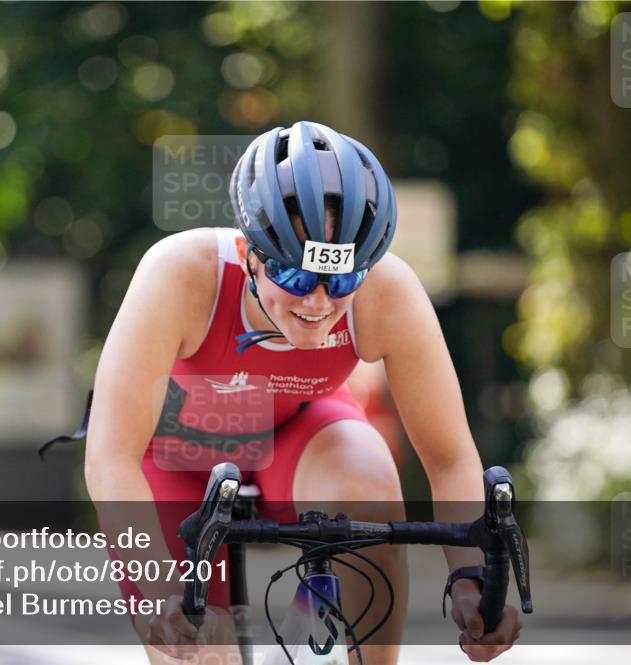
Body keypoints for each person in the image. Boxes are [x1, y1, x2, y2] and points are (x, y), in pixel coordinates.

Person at [83, 121, 523, 664]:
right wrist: (161, 592)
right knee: (198, 649)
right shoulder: (179, 274)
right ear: (248, 253)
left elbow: (450, 456)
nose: (317, 302)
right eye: (295, 278)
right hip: (173, 456)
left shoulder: (388, 293)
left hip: (297, 437)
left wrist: (471, 579)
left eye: (340, 281)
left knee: (369, 485)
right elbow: (110, 456)